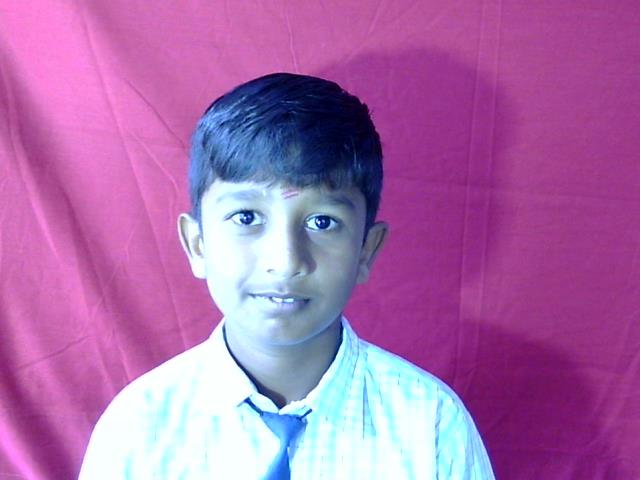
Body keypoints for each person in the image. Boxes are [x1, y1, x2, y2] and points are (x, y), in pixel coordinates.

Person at [79, 72, 495, 479]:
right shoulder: (138, 428)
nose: (285, 260)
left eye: (322, 222)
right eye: (246, 217)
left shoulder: (431, 426)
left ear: (366, 250)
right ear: (197, 244)